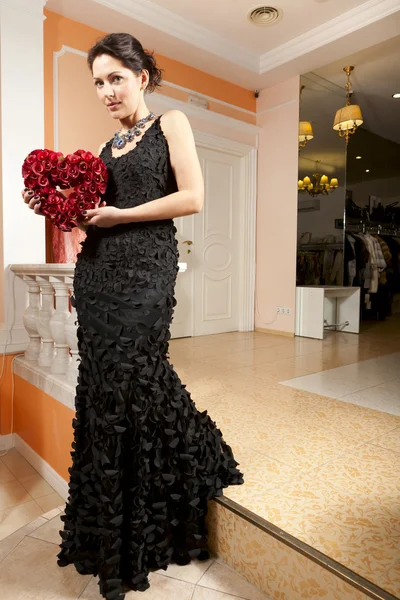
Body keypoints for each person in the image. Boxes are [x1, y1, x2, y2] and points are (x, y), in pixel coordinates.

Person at [22, 32, 243, 600]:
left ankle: (158, 511)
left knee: (137, 379)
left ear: (142, 76)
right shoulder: (104, 149)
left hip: (146, 270)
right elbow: (90, 218)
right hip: (98, 273)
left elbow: (192, 197)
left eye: (116, 77)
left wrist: (122, 217)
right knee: (104, 390)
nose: (106, 90)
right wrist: (56, 204)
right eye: (97, 81)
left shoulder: (171, 124)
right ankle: (106, 531)